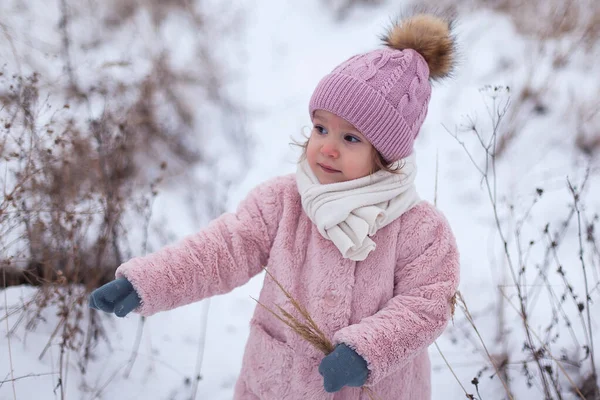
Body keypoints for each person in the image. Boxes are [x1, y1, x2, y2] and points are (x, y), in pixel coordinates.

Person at [89, 12, 460, 400]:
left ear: (385, 154)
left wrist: (367, 351)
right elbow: (222, 249)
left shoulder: (420, 228)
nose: (327, 147)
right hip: (278, 385)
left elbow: (428, 304)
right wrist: (147, 281)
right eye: (321, 128)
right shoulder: (283, 202)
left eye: (351, 138)